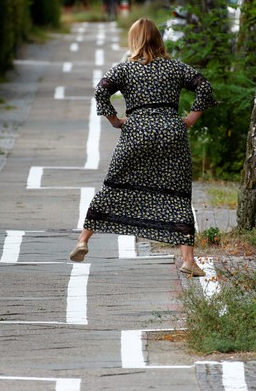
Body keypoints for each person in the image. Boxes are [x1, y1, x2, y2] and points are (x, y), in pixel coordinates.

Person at [69, 18, 218, 277]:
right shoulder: (174, 67)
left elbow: (101, 90)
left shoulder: (125, 69)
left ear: (134, 40)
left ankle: (83, 241)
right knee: (178, 195)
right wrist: (192, 118)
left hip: (136, 130)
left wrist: (115, 120)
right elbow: (204, 87)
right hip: (172, 132)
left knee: (114, 185)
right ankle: (188, 260)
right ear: (159, 39)